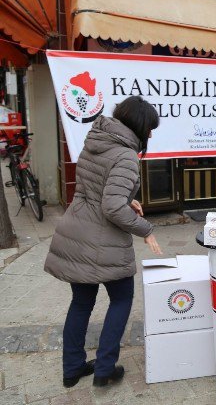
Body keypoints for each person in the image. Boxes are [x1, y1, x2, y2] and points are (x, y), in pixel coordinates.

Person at [44, 96, 163, 388]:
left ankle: (72, 369)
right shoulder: (124, 155)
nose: (150, 135)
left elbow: (93, 189)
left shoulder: (96, 140)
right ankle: (105, 368)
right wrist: (145, 229)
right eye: (150, 128)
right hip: (104, 239)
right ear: (139, 124)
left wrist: (128, 199)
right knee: (121, 299)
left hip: (76, 232)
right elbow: (111, 207)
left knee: (81, 303)